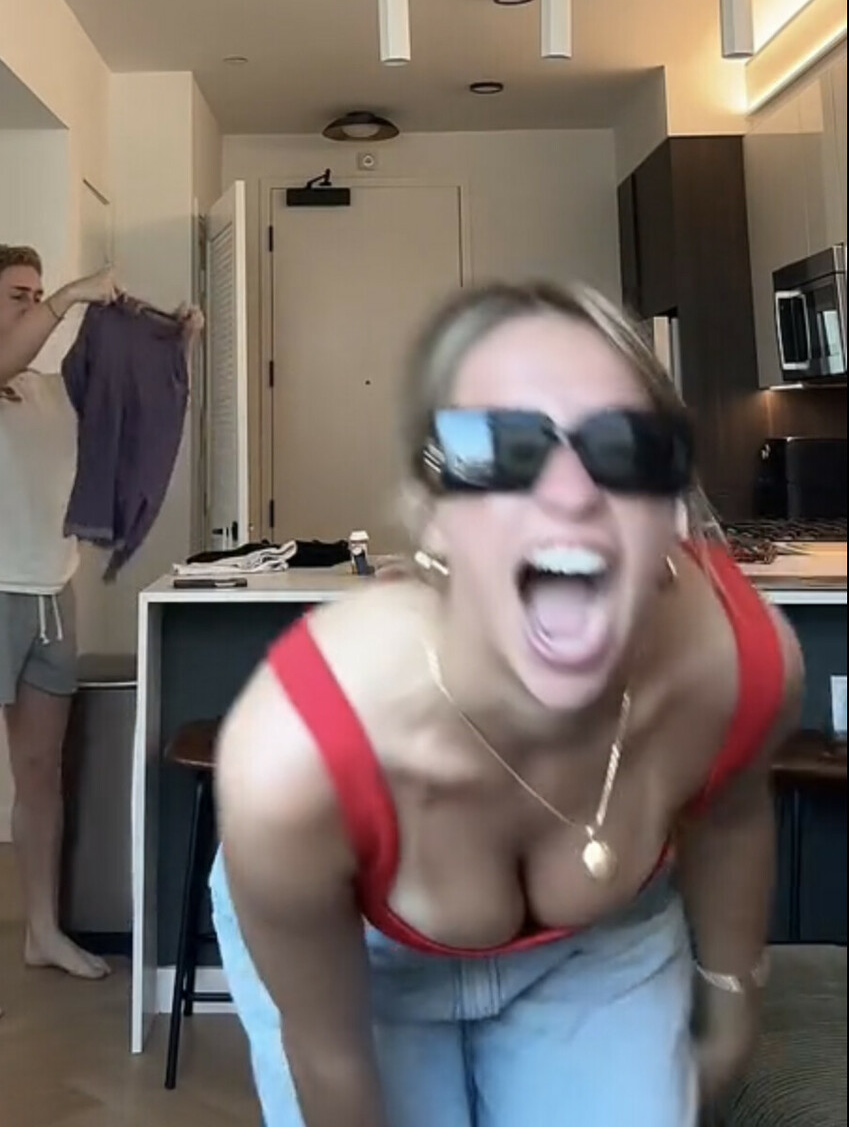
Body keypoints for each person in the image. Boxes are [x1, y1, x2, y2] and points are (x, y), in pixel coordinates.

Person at [213, 281, 801, 1127]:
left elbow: (734, 818)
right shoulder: (295, 762)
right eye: (496, 448)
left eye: (626, 447)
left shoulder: (734, 663)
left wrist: (732, 1007)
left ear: (672, 505)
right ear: (432, 516)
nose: (569, 492)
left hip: (601, 946)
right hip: (365, 968)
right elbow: (329, 1058)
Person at [0, 243, 201, 1025]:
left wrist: (173, 342)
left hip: (49, 595)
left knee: (41, 775)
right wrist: (69, 296)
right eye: (18, 294)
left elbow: (127, 399)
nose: (32, 303)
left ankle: (43, 931)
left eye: (36, 293)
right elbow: (2, 365)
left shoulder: (53, 391)